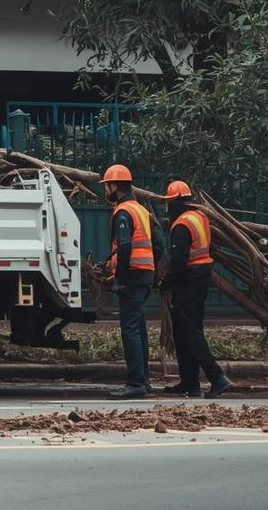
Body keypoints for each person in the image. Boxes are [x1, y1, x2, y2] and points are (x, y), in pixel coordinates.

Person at [157, 180, 234, 399]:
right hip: (200, 277)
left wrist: (166, 283)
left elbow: (179, 261)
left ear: (174, 202)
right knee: (184, 331)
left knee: (190, 331)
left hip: (188, 280)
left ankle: (217, 377)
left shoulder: (181, 225)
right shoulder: (200, 217)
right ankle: (190, 382)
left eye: (169, 203)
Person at [101, 163, 155, 399]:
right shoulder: (140, 209)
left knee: (130, 329)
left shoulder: (123, 212)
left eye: (107, 186)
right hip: (145, 273)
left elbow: (124, 246)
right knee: (139, 329)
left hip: (132, 275)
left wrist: (119, 277)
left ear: (114, 186)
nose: (105, 191)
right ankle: (144, 379)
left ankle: (135, 383)